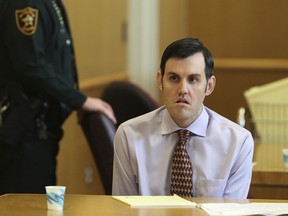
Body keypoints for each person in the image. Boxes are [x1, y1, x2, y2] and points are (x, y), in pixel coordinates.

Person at [112, 37, 254, 198]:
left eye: (193, 80)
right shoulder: (129, 136)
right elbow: (122, 209)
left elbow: (231, 213)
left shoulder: (238, 142)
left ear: (209, 86)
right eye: (174, 78)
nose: (183, 89)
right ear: (160, 81)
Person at [0, 0, 116, 195]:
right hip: (26, 134)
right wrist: (81, 100)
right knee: (27, 208)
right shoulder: (25, 2)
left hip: (43, 130)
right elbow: (31, 66)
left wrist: (75, 102)